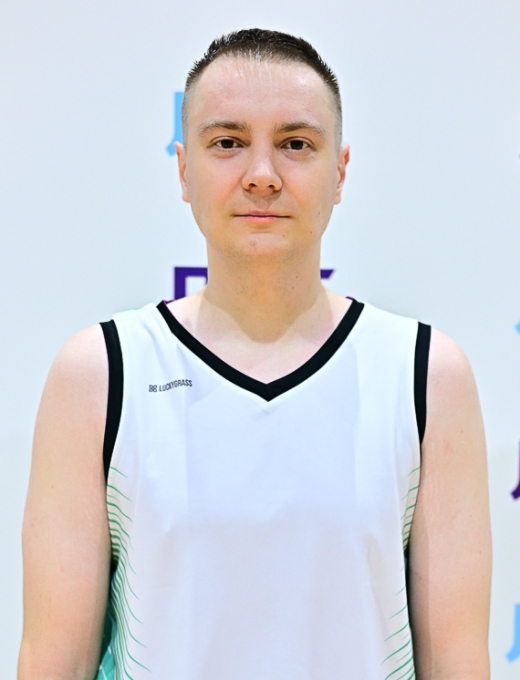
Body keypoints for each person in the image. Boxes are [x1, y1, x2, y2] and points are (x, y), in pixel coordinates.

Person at [18, 29, 491, 680]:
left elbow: (458, 664)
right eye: (227, 142)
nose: (262, 175)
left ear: (339, 172)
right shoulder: (100, 372)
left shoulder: (427, 373)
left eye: (295, 144)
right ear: (184, 170)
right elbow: (55, 661)